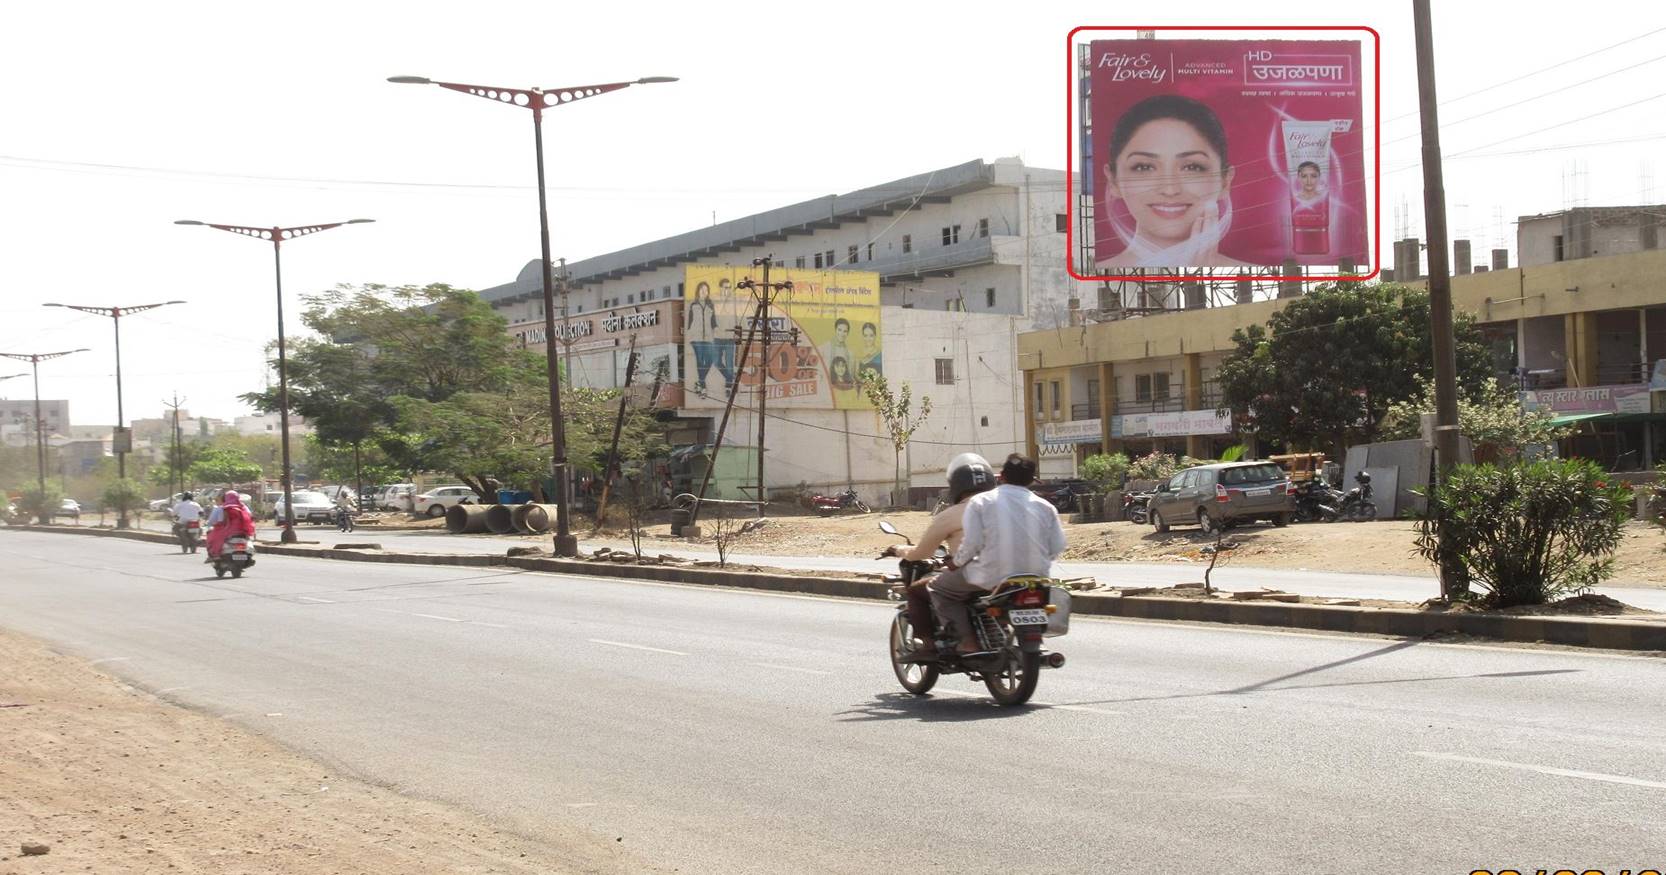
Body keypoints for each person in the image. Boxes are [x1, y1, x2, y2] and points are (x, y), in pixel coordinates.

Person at [1096, 94, 1255, 269]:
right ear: (1113, 181)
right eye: (1144, 167)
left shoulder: (1253, 270)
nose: (1170, 189)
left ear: (1225, 181)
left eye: (1192, 167)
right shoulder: (1093, 278)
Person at [937, 454, 1067, 655]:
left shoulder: (981, 502)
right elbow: (1058, 546)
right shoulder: (1046, 506)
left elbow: (972, 543)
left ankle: (968, 641)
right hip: (1036, 578)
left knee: (939, 589)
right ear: (1032, 480)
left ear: (1002, 476)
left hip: (992, 577)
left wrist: (955, 563)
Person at [881, 453, 997, 660]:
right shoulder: (1003, 507)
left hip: (977, 571)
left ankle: (949, 643)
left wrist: (900, 550)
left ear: (956, 486)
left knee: (921, 590)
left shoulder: (953, 514)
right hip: (1013, 572)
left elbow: (922, 553)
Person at [205, 490, 256, 562]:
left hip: (227, 531)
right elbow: (250, 517)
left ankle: (215, 556)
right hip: (242, 531)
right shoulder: (243, 507)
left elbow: (218, 521)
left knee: (212, 538)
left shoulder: (222, 508)